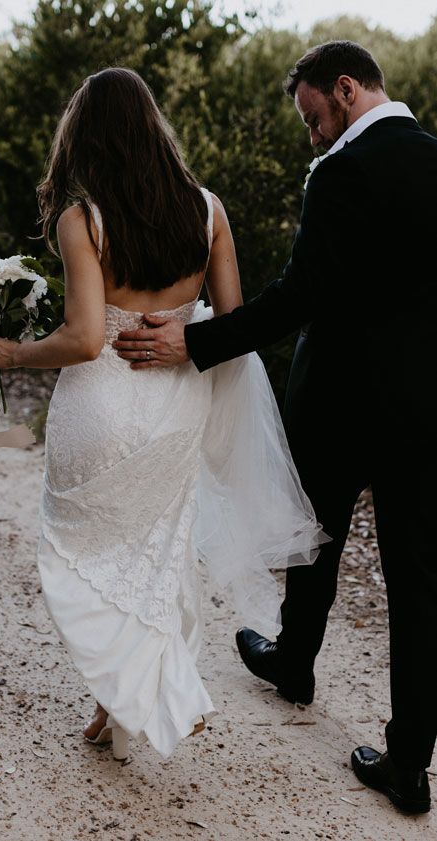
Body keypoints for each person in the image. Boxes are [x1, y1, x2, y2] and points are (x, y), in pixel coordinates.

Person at [114, 41, 437, 811]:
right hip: (426, 407)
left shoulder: (341, 172)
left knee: (313, 537)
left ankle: (294, 664)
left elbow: (299, 295)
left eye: (312, 116)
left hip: (337, 402)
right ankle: (407, 764)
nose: (311, 134)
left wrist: (189, 342)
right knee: (420, 583)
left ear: (347, 88)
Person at [0, 67, 324, 761]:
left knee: (75, 551)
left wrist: (11, 354)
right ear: (153, 129)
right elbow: (233, 320)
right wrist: (182, 335)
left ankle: (130, 689)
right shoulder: (208, 211)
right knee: (154, 555)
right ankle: (121, 692)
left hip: (100, 400)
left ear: (86, 137)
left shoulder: (84, 219)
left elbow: (82, 339)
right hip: (176, 400)